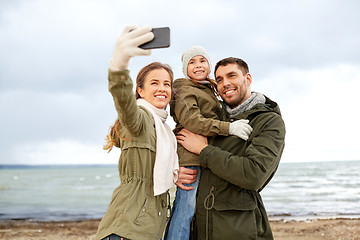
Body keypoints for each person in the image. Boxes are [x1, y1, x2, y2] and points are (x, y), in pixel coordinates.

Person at [176, 57, 286, 239]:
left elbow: (254, 174)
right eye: (219, 79)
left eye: (231, 76)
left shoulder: (269, 121)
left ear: (248, 79)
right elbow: (180, 137)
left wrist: (204, 151)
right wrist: (174, 171)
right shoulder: (212, 118)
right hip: (200, 227)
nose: (225, 84)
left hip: (240, 229)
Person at [95, 25, 179, 240]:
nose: (162, 88)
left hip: (145, 230)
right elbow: (123, 101)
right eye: (154, 83)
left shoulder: (164, 131)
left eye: (167, 84)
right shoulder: (141, 119)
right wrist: (119, 64)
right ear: (140, 90)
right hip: (126, 230)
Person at [165, 47, 252, 240]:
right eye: (192, 62)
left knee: (195, 209)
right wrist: (228, 128)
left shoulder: (206, 88)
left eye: (202, 61)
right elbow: (192, 121)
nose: (198, 66)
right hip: (191, 158)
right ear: (184, 68)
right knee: (185, 209)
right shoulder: (183, 90)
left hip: (204, 155)